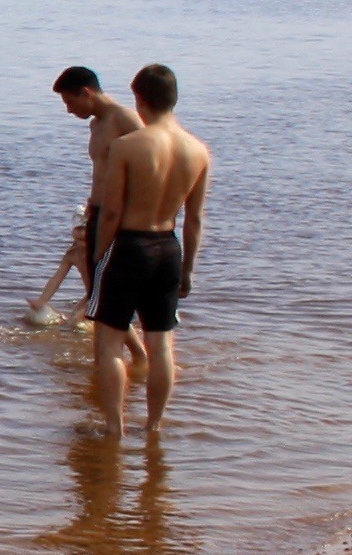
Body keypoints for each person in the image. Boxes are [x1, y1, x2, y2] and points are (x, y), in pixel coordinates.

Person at [88, 63, 212, 445]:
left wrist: (98, 257)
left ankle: (114, 427)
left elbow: (111, 210)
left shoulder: (127, 146)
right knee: (161, 345)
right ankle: (154, 426)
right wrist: (187, 270)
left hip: (128, 244)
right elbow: (193, 220)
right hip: (168, 248)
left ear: (140, 100)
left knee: (108, 342)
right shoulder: (198, 150)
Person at [24, 66, 140, 323]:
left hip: (118, 216)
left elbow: (149, 166)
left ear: (86, 92)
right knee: (98, 291)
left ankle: (136, 353)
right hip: (97, 213)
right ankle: (130, 351)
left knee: (108, 291)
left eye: (69, 101)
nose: (68, 110)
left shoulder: (124, 119)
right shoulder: (96, 125)